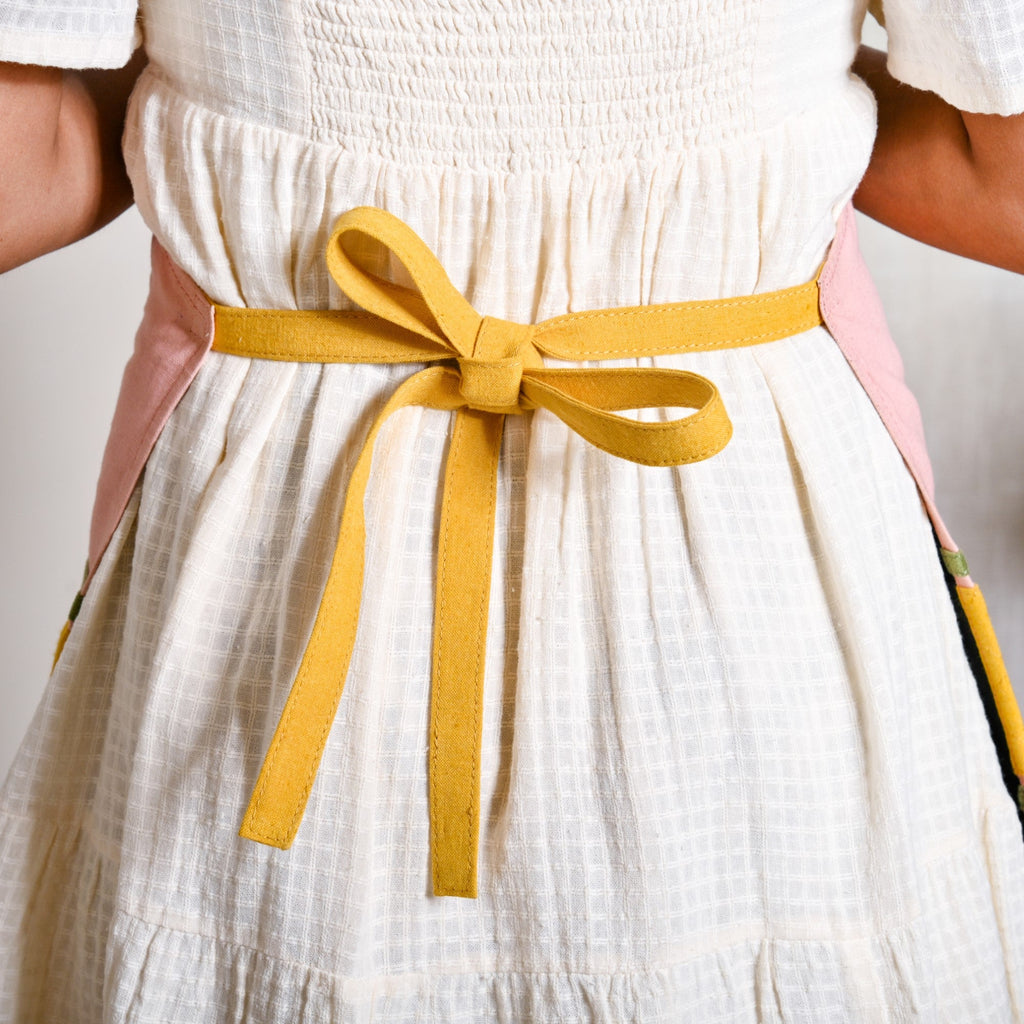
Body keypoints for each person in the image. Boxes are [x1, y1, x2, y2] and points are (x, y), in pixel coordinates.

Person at [1, 0, 1022, 1020]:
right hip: (743, 575)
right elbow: (1004, 182)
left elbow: (20, 171)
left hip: (273, 572)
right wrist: (773, 103)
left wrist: (217, 101)